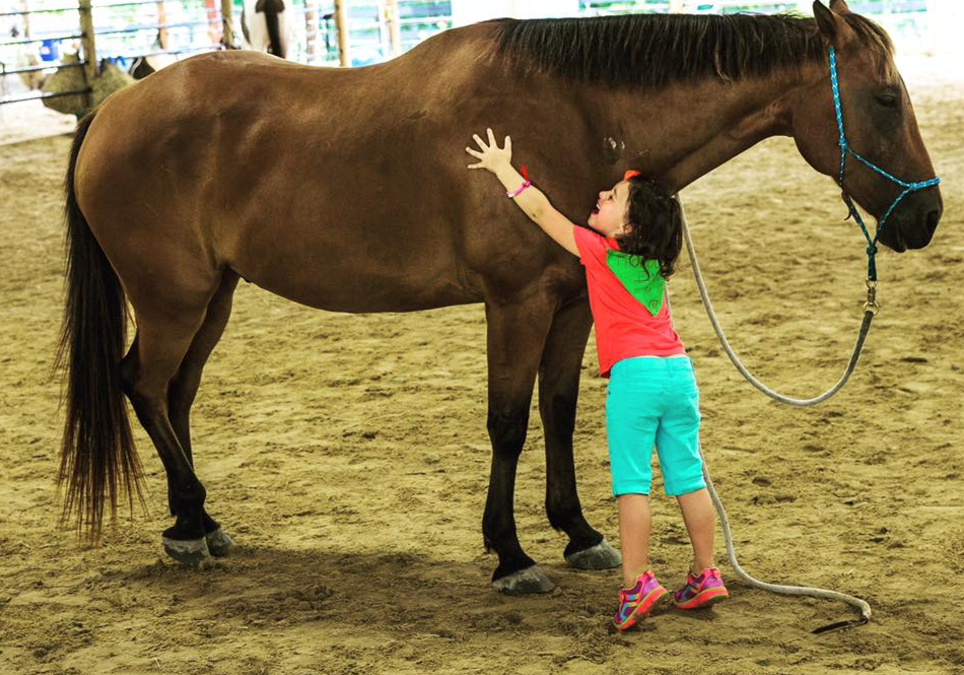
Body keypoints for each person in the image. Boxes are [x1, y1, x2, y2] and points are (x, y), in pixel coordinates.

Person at [465, 129, 728, 631]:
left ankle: (636, 584)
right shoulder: (653, 264)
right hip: (679, 374)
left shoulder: (599, 252)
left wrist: (503, 170)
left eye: (614, 198)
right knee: (689, 480)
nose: (601, 195)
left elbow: (543, 214)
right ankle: (705, 572)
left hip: (636, 380)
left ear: (626, 228)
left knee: (633, 487)